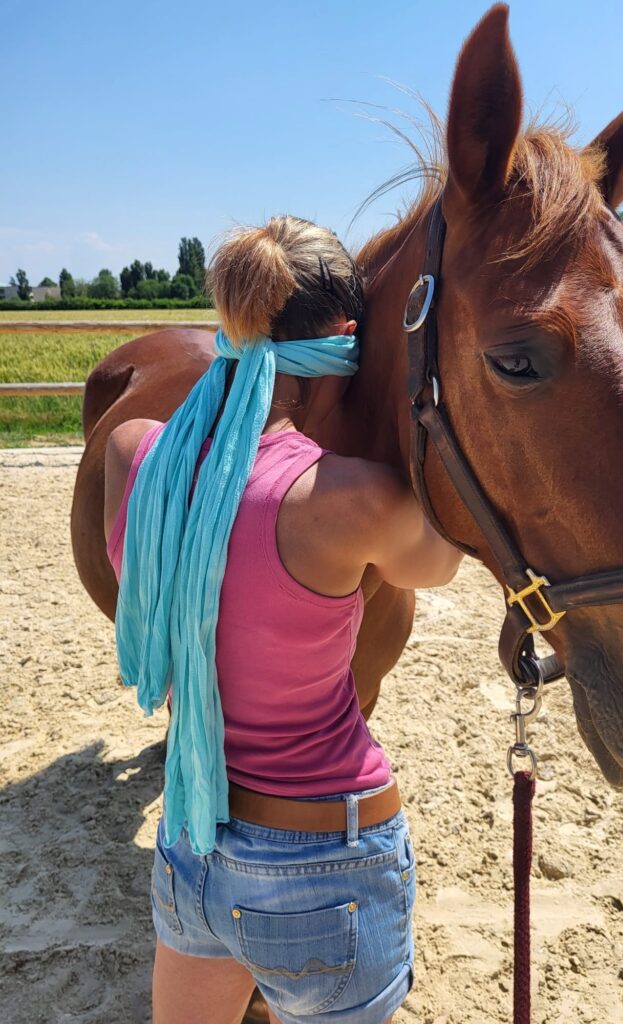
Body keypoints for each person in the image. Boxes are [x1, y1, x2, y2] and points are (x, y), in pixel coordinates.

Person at [103, 215, 462, 1024]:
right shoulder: (351, 501)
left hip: (192, 840)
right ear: (346, 337)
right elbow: (442, 559)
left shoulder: (132, 452)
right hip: (327, 859)